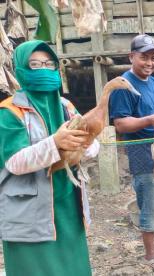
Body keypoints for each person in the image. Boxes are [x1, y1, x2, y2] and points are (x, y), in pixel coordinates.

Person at [0, 40, 99, 275]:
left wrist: (85, 145)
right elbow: (14, 162)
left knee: (73, 268)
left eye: (48, 63)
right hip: (29, 212)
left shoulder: (67, 106)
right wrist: (55, 142)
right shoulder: (9, 111)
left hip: (68, 206)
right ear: (21, 69)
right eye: (34, 64)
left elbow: (93, 146)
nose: (43, 69)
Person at [109, 34, 154, 271]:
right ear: (131, 57)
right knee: (151, 201)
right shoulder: (122, 85)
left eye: (153, 58)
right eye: (144, 57)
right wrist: (149, 120)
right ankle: (151, 255)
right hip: (141, 152)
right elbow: (120, 124)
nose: (149, 63)